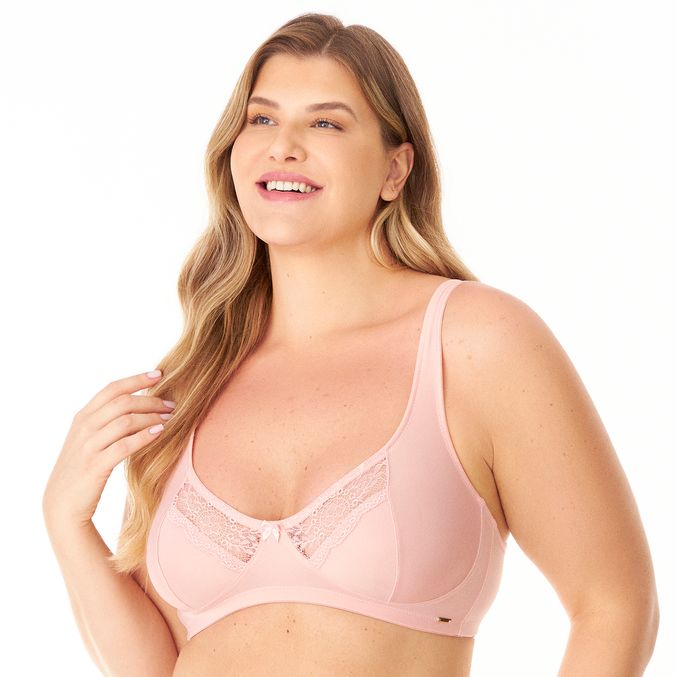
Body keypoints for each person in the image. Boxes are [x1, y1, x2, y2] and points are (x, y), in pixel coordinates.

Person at [42, 12, 659, 677]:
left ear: (395, 169)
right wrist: (65, 521)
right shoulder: (192, 381)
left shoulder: (473, 343)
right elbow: (157, 667)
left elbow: (615, 606)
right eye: (261, 119)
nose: (283, 146)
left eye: (326, 124)